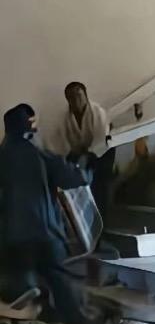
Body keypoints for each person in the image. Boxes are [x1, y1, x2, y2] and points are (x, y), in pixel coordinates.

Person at [0, 103, 86, 324]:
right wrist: (83, 165)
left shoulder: (2, 153)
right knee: (58, 279)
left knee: (21, 285)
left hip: (11, 237)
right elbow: (74, 179)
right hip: (44, 232)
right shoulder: (39, 152)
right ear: (29, 125)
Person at [57, 82, 114, 224]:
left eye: (79, 96)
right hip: (82, 152)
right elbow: (68, 141)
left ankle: (103, 220)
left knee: (100, 184)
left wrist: (86, 156)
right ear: (68, 100)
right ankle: (81, 219)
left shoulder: (97, 112)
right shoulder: (67, 117)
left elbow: (99, 141)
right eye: (71, 97)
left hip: (102, 150)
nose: (76, 100)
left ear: (86, 96)